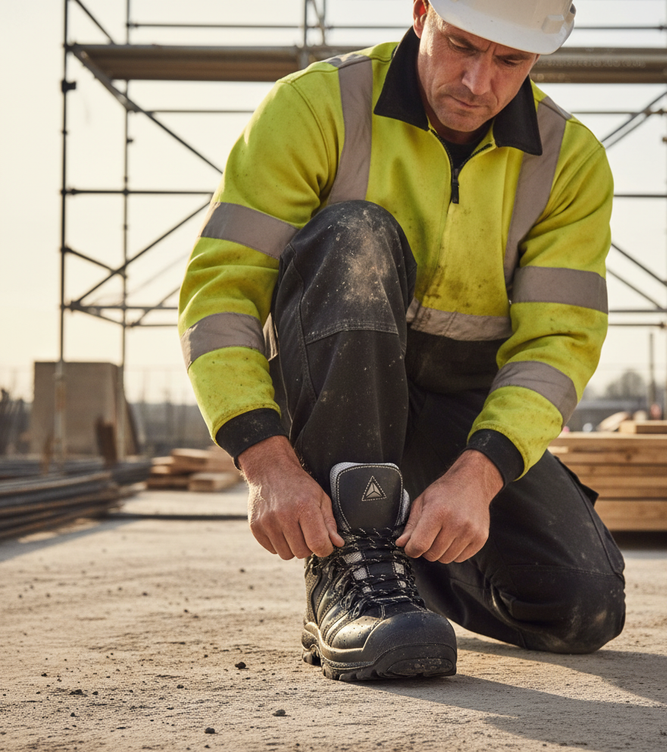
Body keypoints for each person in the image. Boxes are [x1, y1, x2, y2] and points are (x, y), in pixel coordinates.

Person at [179, 0, 625, 682]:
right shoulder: (317, 106)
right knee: (354, 232)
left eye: (510, 61)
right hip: (333, 380)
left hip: (460, 400)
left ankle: (400, 552)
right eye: (463, 47)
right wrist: (265, 461)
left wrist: (478, 478)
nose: (479, 82)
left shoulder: (569, 160)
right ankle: (350, 567)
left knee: (580, 607)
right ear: (421, 13)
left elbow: (557, 343)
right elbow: (222, 293)